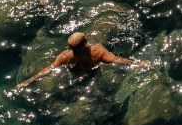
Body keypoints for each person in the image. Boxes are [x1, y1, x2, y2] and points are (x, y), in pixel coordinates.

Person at [18, 32, 148, 88]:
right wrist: (139, 63)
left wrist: (30, 80)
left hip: (74, 74)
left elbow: (49, 69)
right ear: (85, 42)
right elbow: (116, 60)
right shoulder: (97, 51)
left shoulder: (64, 56)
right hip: (93, 73)